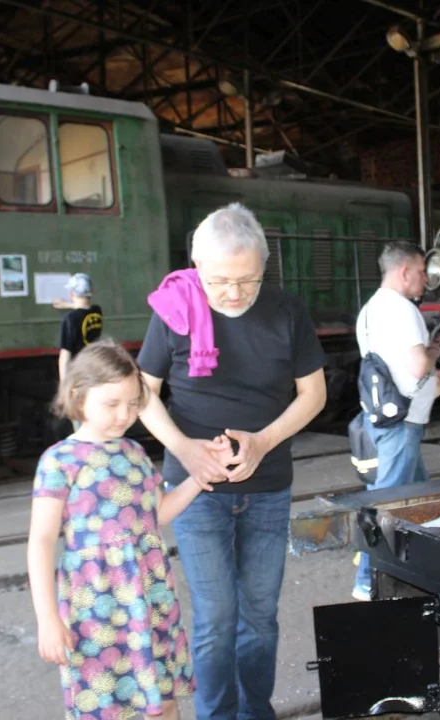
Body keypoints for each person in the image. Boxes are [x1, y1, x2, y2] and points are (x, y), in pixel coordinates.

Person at [136, 202, 328, 720]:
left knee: (261, 616)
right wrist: (185, 449)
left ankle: (255, 713)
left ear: (265, 269)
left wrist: (264, 441)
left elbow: (313, 395)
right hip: (196, 490)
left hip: (268, 488)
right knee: (217, 617)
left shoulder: (287, 311)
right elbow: (143, 394)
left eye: (248, 280)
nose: (235, 294)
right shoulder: (174, 311)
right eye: (220, 282)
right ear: (197, 267)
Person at [27, 339, 229, 720]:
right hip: (95, 605)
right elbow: (40, 542)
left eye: (134, 404)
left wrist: (202, 476)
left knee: (162, 700)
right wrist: (47, 619)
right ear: (77, 395)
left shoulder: (134, 453)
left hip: (149, 597)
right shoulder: (60, 461)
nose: (124, 415)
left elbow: (158, 513)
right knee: (104, 704)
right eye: (112, 404)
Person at [351, 241, 440, 601]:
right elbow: (416, 365)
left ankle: (425, 574)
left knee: (422, 496)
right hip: (402, 424)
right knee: (389, 501)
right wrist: (434, 352)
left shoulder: (370, 309)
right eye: (422, 271)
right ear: (404, 271)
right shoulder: (403, 309)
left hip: (383, 416)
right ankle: (367, 580)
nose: (425, 279)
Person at [55, 273, 104, 384]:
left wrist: (64, 386)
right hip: (93, 366)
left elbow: (65, 357)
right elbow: (84, 308)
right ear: (92, 291)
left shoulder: (69, 319)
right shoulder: (97, 311)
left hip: (77, 371)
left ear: (71, 294)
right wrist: (67, 305)